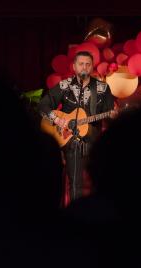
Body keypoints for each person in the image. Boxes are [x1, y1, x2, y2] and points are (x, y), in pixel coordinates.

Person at [38, 51, 115, 202]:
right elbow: (43, 105)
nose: (84, 67)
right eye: (81, 64)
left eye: (88, 64)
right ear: (74, 67)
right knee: (75, 184)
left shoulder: (103, 88)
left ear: (92, 67)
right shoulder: (65, 86)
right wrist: (57, 119)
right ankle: (75, 213)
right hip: (70, 139)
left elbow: (109, 114)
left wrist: (112, 116)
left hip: (94, 141)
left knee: (99, 182)